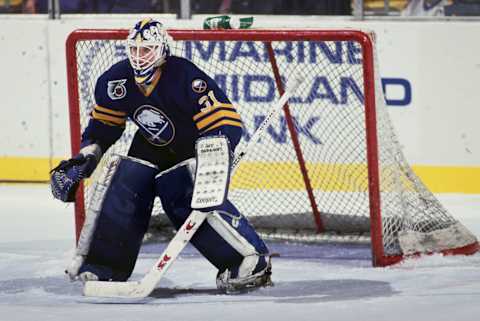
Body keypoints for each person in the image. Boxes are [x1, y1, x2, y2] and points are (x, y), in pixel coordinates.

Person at [50, 18, 272, 293]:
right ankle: (103, 266)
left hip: (194, 149)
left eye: (148, 50)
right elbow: (102, 129)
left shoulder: (184, 76)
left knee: (186, 195)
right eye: (135, 50)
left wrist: (214, 155)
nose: (140, 57)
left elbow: (225, 122)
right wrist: (85, 159)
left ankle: (250, 260)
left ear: (163, 50)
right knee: (122, 182)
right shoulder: (114, 80)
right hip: (151, 147)